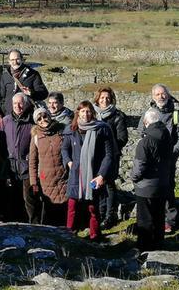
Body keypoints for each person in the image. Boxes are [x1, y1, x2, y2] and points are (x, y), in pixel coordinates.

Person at [62, 101, 114, 242]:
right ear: (78, 112)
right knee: (72, 206)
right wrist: (69, 161)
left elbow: (108, 155)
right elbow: (64, 149)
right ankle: (68, 236)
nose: (86, 114)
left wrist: (101, 175)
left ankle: (95, 236)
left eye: (89, 111)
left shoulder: (102, 129)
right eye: (83, 111)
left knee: (93, 208)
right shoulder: (71, 130)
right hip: (76, 175)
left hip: (93, 175)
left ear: (93, 113)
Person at [140, 83, 179, 233]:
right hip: (151, 161)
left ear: (168, 95)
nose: (161, 97)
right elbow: (141, 134)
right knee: (150, 190)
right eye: (157, 94)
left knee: (168, 189)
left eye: (163, 93)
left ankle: (169, 221)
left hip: (168, 162)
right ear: (153, 97)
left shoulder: (176, 115)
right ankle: (153, 219)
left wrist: (170, 155)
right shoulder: (147, 113)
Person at [131, 109, 173, 252]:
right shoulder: (167, 136)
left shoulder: (145, 141)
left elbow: (140, 166)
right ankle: (159, 244)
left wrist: (134, 178)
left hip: (146, 186)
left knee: (145, 218)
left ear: (146, 122)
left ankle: (144, 247)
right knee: (159, 216)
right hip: (162, 183)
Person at [93, 87, 128, 229]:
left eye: (107, 98)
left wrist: (109, 147)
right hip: (95, 156)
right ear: (97, 98)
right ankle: (99, 214)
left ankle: (110, 215)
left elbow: (123, 138)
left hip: (111, 156)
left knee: (109, 185)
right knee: (98, 184)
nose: (104, 100)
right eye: (102, 97)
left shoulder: (118, 116)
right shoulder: (93, 114)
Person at [28, 108, 68, 226]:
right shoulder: (35, 137)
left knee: (65, 206)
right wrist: (33, 182)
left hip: (63, 176)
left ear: (50, 116)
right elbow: (33, 161)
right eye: (39, 119)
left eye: (45, 116)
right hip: (46, 180)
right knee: (50, 208)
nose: (43, 120)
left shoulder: (61, 131)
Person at [4, 93, 37, 223]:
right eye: (15, 104)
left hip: (27, 166)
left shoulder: (32, 121)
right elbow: (0, 142)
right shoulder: (6, 121)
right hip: (11, 166)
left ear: (26, 104)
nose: (17, 106)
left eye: (20, 103)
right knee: (12, 198)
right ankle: (14, 224)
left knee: (29, 199)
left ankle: (33, 225)